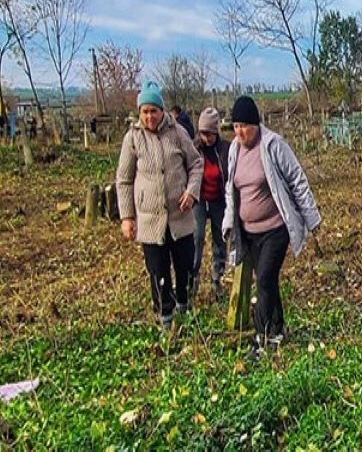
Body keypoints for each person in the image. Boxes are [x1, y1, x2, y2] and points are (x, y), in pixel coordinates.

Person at [221, 96, 321, 358]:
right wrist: (229, 222)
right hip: (249, 231)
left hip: (276, 228)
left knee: (263, 277)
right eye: (236, 126)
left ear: (256, 124)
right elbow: (231, 190)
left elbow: (297, 179)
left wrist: (311, 218)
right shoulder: (234, 150)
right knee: (267, 281)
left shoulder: (273, 145)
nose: (240, 132)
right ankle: (278, 329)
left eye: (245, 126)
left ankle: (261, 338)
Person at [116, 81, 203, 331]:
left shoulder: (178, 133)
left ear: (162, 111)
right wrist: (127, 217)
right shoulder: (133, 139)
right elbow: (123, 179)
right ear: (139, 113)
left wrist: (191, 192)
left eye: (154, 110)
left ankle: (185, 307)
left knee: (184, 264)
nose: (150, 116)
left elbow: (196, 164)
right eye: (145, 111)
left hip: (180, 214)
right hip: (150, 218)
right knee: (157, 269)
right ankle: (165, 316)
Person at [192, 107, 229, 301]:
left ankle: (217, 278)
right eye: (202, 133)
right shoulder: (193, 149)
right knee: (196, 238)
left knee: (219, 238)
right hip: (198, 200)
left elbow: (230, 176)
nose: (206, 138)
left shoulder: (225, 150)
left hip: (218, 200)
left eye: (210, 133)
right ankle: (193, 280)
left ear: (216, 132)